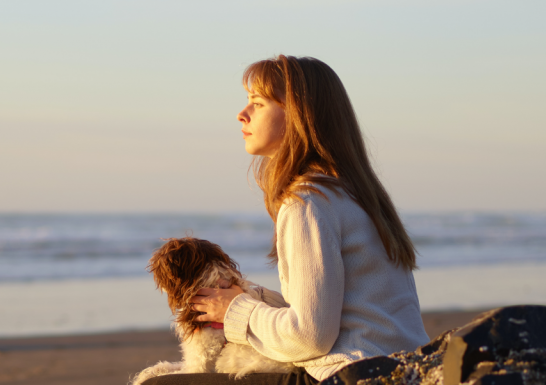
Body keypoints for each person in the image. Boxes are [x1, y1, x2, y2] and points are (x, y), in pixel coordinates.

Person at [146, 55, 430, 384]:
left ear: (298, 116)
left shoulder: (307, 203)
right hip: (401, 368)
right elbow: (335, 312)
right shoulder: (352, 194)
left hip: (350, 374)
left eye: (258, 102)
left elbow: (309, 337)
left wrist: (234, 310)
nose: (242, 114)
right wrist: (254, 298)